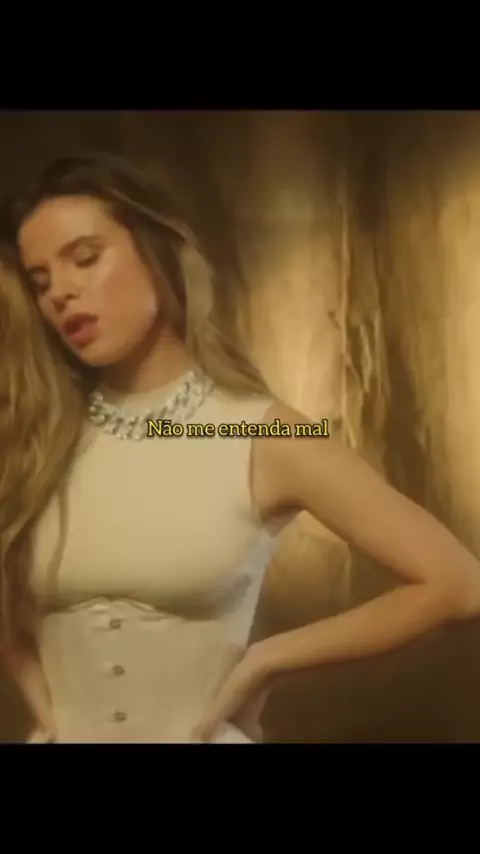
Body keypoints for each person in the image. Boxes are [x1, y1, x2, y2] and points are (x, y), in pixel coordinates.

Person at [0, 151, 479, 745]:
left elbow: (457, 584)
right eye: (41, 282)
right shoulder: (39, 436)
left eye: (85, 258)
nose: (62, 294)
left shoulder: (264, 430)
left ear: (158, 252)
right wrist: (43, 708)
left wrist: (267, 659)